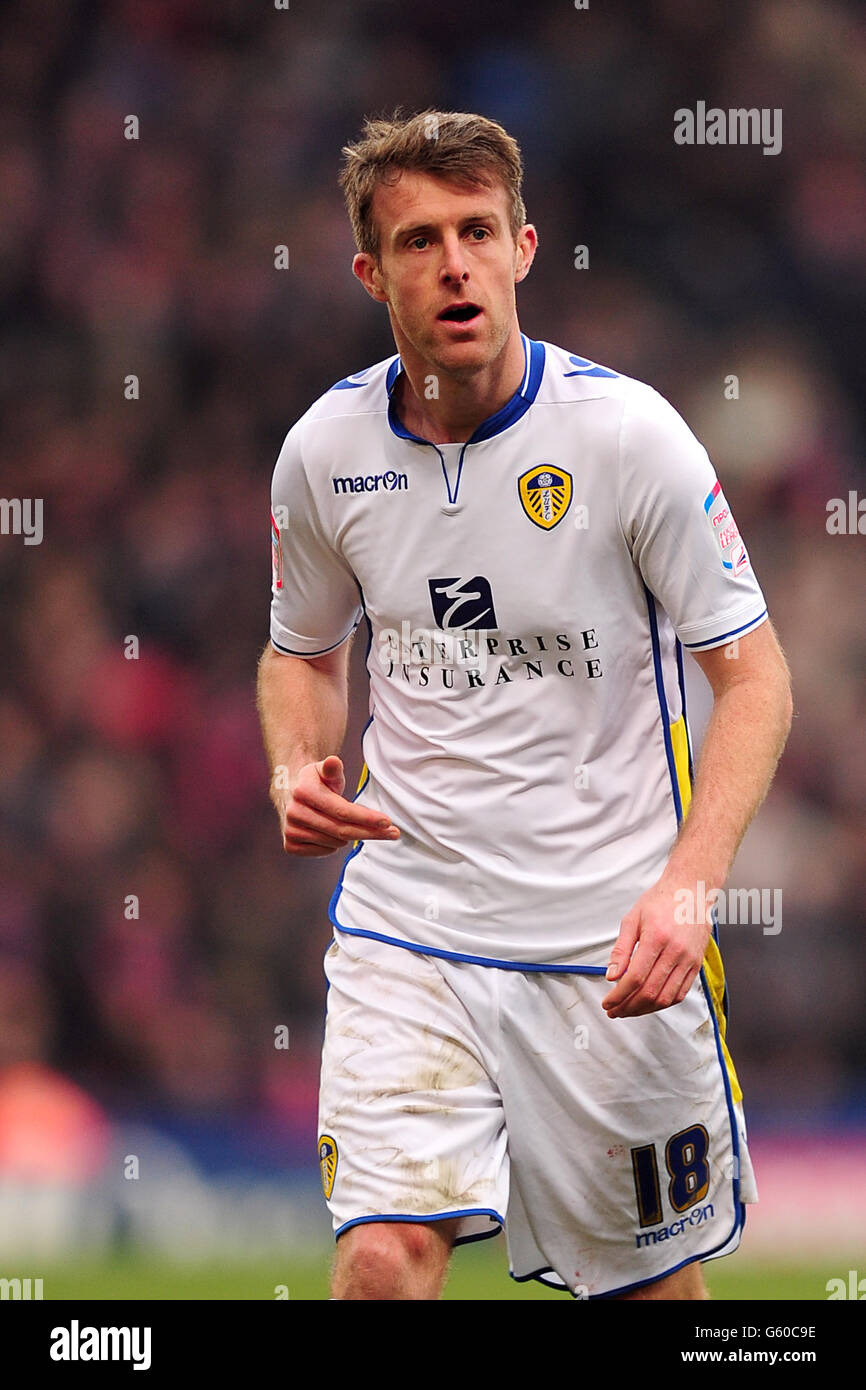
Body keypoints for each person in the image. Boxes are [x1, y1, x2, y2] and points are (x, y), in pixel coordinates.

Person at [256, 110, 793, 1301]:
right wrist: (296, 763)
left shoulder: (628, 439)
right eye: (416, 241)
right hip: (409, 926)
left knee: (650, 1294)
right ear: (369, 272)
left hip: (606, 948)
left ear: (522, 248)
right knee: (378, 1265)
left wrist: (688, 885)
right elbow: (299, 652)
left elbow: (755, 680)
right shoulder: (323, 453)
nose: (452, 263)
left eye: (476, 231)